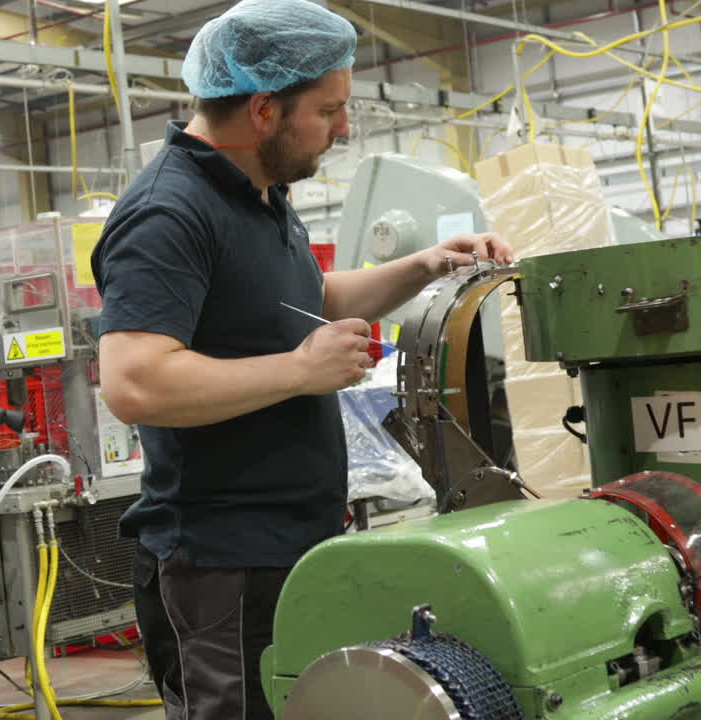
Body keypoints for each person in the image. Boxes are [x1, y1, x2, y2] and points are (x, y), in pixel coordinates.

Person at [90, 1, 515, 717]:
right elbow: (134, 381)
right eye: (329, 110)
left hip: (294, 543)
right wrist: (299, 370)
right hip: (223, 563)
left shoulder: (259, 193)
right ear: (264, 110)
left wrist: (426, 264)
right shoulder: (169, 211)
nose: (344, 128)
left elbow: (308, 299)